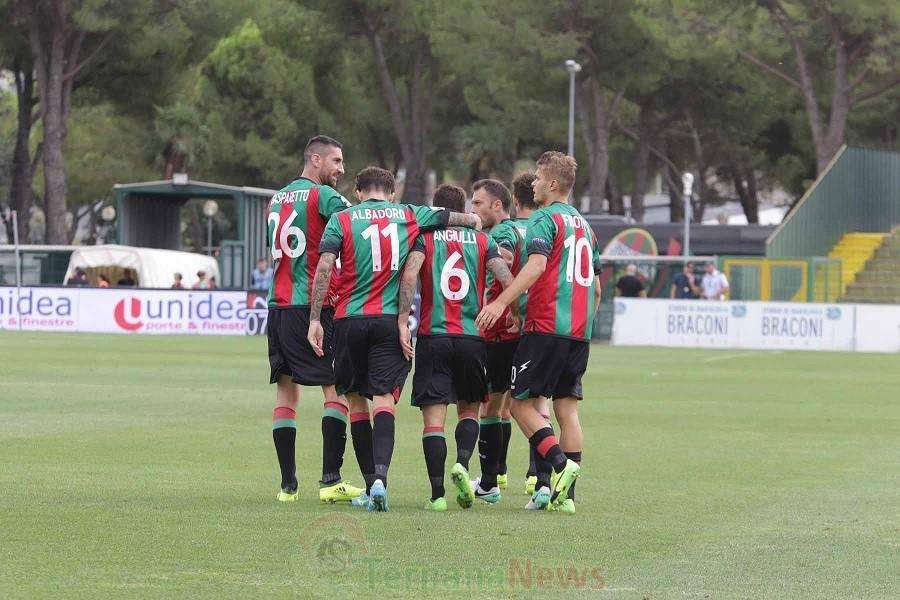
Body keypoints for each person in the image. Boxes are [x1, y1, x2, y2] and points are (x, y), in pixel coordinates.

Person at [308, 166, 481, 512]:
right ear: (390, 192)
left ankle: (370, 483)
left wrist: (315, 319)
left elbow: (325, 266)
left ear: (358, 192)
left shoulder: (342, 218)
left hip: (348, 320)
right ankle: (380, 480)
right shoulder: (408, 214)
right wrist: (471, 221)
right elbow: (466, 220)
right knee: (384, 400)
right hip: (388, 322)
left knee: (357, 402)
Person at [477, 151, 602, 515]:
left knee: (519, 404)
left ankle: (562, 466)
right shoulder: (586, 226)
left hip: (546, 326)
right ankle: (567, 499)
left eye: (536, 179)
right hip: (579, 333)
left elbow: (535, 266)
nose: (531, 184)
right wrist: (586, 323)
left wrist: (502, 303)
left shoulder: (545, 219)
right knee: (567, 410)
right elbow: (595, 288)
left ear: (551, 184)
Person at [398, 184, 514, 511]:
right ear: (463, 208)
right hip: (472, 337)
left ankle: (436, 495)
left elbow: (409, 278)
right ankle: (463, 462)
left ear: (437, 210)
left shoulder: (425, 238)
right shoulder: (483, 240)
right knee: (469, 410)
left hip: (434, 336)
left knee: (433, 421)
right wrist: (515, 312)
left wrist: (402, 320)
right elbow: (506, 279)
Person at [265, 135, 368, 506]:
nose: (341, 169)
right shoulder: (322, 196)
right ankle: (330, 479)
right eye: (336, 161)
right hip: (312, 306)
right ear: (315, 159)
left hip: (277, 306)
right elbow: (355, 220)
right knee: (336, 390)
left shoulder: (276, 199)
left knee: (286, 391)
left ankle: (288, 486)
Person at [469, 178, 522, 498]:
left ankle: (488, 482)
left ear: (497, 205)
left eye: (477, 203)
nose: (473, 209)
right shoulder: (517, 229)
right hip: (514, 327)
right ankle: (499, 473)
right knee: (503, 406)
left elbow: (504, 262)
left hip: (497, 328)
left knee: (489, 407)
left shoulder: (500, 234)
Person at [510, 172, 550, 496]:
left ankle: (493, 475)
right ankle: (539, 477)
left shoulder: (511, 230)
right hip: (554, 325)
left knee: (509, 403)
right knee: (542, 404)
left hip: (520, 324)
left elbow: (506, 264)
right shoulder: (563, 225)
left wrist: (501, 304)